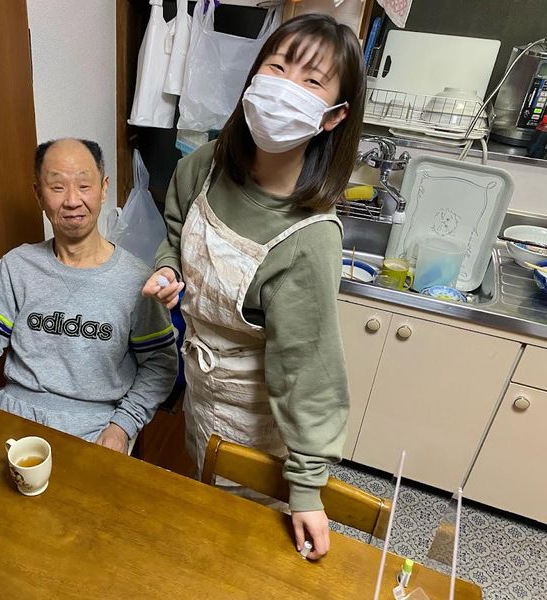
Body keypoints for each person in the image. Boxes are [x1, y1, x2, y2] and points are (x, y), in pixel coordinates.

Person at [143, 14, 365, 559]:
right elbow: (175, 231)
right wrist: (171, 270)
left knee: (238, 546)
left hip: (258, 426)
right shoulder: (208, 165)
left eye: (311, 81)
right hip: (199, 396)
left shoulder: (309, 238)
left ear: (333, 116)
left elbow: (308, 372)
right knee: (198, 511)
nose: (286, 86)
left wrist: (307, 490)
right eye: (278, 66)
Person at [0, 138, 177, 454]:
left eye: (84, 186)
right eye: (57, 187)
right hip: (13, 418)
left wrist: (123, 426)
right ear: (38, 194)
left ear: (104, 188)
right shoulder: (17, 266)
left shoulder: (136, 279)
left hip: (97, 428)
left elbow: (160, 364)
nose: (73, 200)